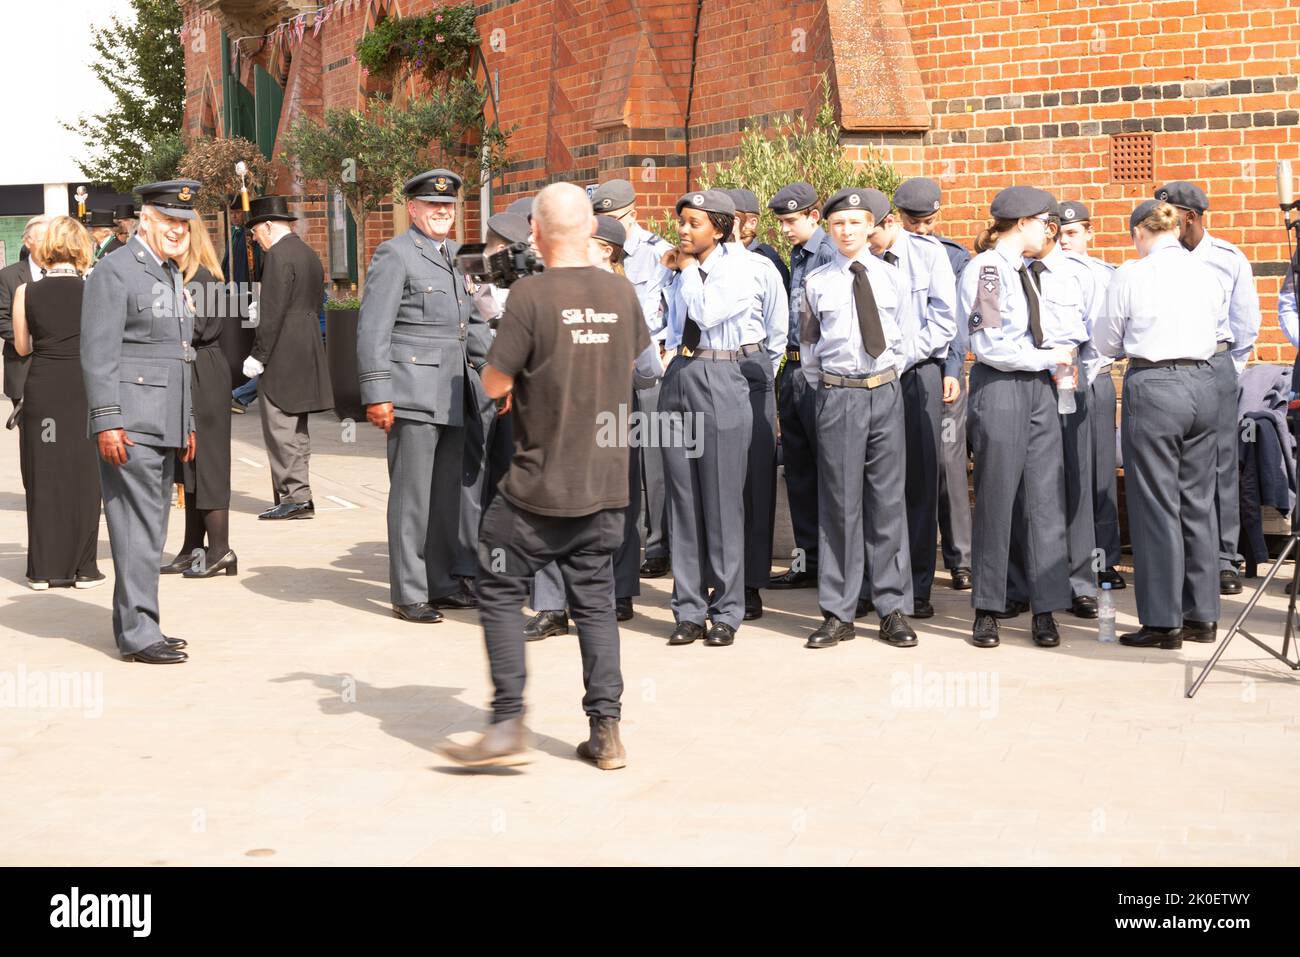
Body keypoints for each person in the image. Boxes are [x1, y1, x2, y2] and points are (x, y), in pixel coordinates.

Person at [438, 182, 648, 770]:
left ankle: (507, 721)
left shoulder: (529, 297)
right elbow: (633, 364)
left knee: (499, 584)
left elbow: (496, 384)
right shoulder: (620, 293)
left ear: (535, 233)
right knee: (596, 602)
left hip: (537, 488)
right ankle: (606, 732)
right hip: (605, 484)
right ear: (592, 231)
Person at [357, 169, 487, 622]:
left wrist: (495, 373)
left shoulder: (458, 255)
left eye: (448, 207)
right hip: (412, 391)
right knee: (412, 496)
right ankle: (410, 592)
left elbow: (470, 326)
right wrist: (377, 391)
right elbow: (373, 327)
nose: (441, 213)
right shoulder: (394, 254)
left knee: (446, 496)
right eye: (433, 206)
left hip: (454, 391)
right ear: (412, 209)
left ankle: (441, 583)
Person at [1093, 200, 1223, 649]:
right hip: (1205, 382)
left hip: (1155, 384)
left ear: (1138, 233)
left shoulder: (1131, 273)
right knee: (1198, 501)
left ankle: (1164, 621)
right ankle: (1202, 615)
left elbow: (1107, 340)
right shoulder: (1207, 270)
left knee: (1155, 506)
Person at [526, 215, 665, 636]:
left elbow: (647, 366)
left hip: (611, 412)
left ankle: (617, 591)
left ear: (605, 249)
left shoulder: (623, 295)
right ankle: (552, 606)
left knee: (616, 505)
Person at [80, 179, 200, 664]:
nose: (178, 230)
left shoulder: (168, 272)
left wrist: (187, 420)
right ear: (146, 220)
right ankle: (138, 633)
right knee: (136, 527)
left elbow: (179, 354)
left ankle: (140, 623)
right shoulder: (116, 271)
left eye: (184, 223)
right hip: (130, 421)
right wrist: (107, 420)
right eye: (169, 220)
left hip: (163, 419)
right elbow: (98, 353)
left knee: (150, 527)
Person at [800, 188, 917, 649]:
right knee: (839, 504)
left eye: (855, 222)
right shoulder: (817, 283)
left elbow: (904, 340)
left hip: (884, 390)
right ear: (829, 229)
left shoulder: (893, 279)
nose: (847, 231)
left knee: (887, 503)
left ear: (872, 226)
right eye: (838, 224)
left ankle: (891, 608)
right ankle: (839, 611)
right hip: (839, 394)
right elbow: (809, 349)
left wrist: (883, 380)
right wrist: (833, 389)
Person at [957, 186, 1074, 649]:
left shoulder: (1021, 270)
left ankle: (1045, 608)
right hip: (1003, 386)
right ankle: (988, 607)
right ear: (1023, 221)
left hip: (1038, 390)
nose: (1049, 229)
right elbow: (989, 344)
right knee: (997, 496)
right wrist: (1046, 357)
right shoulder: (987, 270)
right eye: (1044, 221)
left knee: (1044, 501)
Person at [1156, 180, 1261, 595]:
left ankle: (1223, 558)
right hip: (1168, 366)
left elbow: (1245, 324)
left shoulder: (1227, 259)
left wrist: (1227, 370)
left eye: (1171, 216)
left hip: (1214, 362)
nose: (1161, 222)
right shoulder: (1156, 259)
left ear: (1192, 218)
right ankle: (1181, 555)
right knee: (1176, 463)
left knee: (1219, 464)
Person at [659, 190, 754, 647]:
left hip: (720, 373)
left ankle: (727, 609)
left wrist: (688, 267)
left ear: (718, 228)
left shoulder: (737, 268)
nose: (683, 230)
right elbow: (670, 323)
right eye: (680, 222)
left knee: (720, 500)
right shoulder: (682, 270)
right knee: (683, 501)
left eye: (693, 223)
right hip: (679, 373)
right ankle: (689, 609)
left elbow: (705, 312)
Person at [867, 190, 958, 619]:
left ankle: (917, 586)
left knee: (919, 483)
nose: (864, 242)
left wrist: (903, 357)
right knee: (877, 483)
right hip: (869, 380)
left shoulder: (928, 255)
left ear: (889, 223)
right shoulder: (855, 258)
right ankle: (876, 582)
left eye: (871, 234)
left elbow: (944, 318)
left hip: (916, 373)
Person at [11, 216, 102, 589]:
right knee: (85, 474)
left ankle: (43, 569)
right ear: (83, 249)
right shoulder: (96, 290)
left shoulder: (25, 292)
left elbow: (21, 347)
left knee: (44, 474)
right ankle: (84, 568)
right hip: (83, 387)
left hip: (43, 389)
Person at [1020, 199, 1101, 620]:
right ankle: (1022, 582)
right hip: (1022, 384)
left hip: (1066, 384)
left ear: (1047, 229)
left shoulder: (1080, 274)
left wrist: (1075, 371)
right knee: (1024, 484)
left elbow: (1101, 336)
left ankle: (1080, 581)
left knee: (1073, 480)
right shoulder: (1011, 270)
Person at [590, 179, 675, 579]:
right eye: (600, 219)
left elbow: (676, 309)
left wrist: (668, 352)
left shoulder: (661, 253)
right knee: (620, 459)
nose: (607, 226)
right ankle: (626, 543)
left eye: (613, 219)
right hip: (609, 371)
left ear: (632, 214)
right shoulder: (593, 253)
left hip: (652, 365)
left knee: (654, 461)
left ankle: (657, 544)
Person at [894, 178, 974, 592]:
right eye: (914, 221)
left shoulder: (954, 256)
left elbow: (958, 321)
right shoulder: (889, 253)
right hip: (901, 372)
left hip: (940, 371)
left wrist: (951, 370)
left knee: (946, 463)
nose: (923, 229)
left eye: (929, 221)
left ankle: (960, 557)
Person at [242, 196, 333, 520]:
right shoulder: (307, 252)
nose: (255, 239)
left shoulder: (279, 255)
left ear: (268, 225)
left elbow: (275, 311)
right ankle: (298, 494)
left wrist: (258, 354)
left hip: (283, 349)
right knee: (296, 427)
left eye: (255, 232)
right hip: (305, 345)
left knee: (280, 427)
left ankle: (294, 496)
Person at [767, 182, 837, 589]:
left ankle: (830, 564)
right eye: (782, 222)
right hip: (792, 370)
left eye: (792, 220)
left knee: (826, 472)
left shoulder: (828, 254)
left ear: (814, 216)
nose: (787, 229)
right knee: (798, 474)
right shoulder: (798, 253)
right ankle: (805, 562)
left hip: (819, 373)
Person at [161, 214, 237, 578]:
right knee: (189, 463)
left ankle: (220, 549)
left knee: (208, 462)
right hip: (188, 368)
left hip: (202, 371)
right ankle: (193, 546)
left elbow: (199, 330)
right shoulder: (180, 276)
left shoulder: (204, 278)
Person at [1057, 200, 1124, 590]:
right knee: (1061, 471)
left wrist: (1087, 371)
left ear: (1089, 233)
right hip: (1052, 379)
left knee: (1097, 471)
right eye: (1060, 233)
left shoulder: (1105, 274)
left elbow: (1108, 335)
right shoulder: (1041, 271)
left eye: (1073, 233)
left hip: (1092, 378)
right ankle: (1065, 556)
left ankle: (1104, 560)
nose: (1066, 240)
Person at [0, 216, 50, 429]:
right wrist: (26, 340)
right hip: (23, 366)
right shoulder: (8, 276)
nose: (51, 243)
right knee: (30, 434)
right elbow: (2, 318)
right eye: (44, 238)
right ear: (27, 242)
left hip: (59, 369)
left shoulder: (68, 272)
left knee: (59, 434)